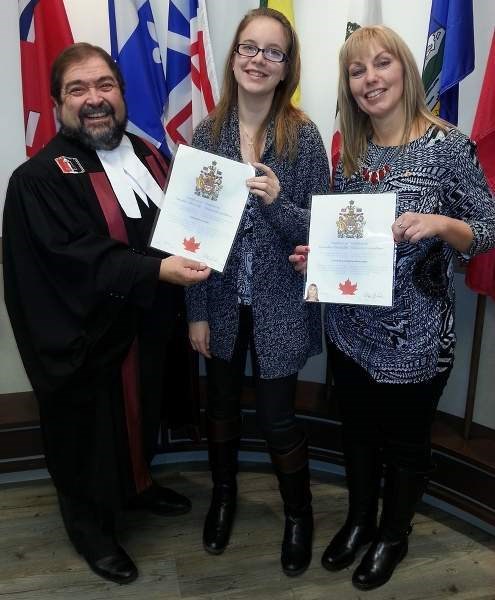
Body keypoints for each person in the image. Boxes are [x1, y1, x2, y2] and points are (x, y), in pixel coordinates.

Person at [290, 25, 495, 591]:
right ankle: (359, 519)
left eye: (382, 65)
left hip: (418, 336)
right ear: (349, 85)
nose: (370, 79)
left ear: (405, 70)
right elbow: (344, 235)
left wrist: (443, 224)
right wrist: (318, 257)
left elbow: (487, 228)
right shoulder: (352, 151)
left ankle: (393, 533)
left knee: (405, 442)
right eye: (357, 71)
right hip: (352, 329)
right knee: (356, 431)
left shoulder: (448, 146)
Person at [2, 43, 211, 585]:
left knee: (141, 412)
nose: (94, 99)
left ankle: (137, 485)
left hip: (145, 328)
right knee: (91, 432)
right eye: (78, 89)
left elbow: (181, 226)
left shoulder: (149, 157)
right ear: (57, 103)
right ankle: (90, 524)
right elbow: (72, 257)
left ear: (121, 94)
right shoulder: (38, 179)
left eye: (105, 86)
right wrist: (154, 273)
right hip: (89, 340)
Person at [186, 8, 330, 577]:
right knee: (220, 409)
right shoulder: (207, 134)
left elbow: (321, 234)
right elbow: (190, 239)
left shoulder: (305, 136)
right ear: (234, 56)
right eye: (250, 47)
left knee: (276, 419)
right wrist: (196, 314)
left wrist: (278, 203)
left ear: (286, 67)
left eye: (273, 52)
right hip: (219, 301)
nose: (258, 60)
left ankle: (299, 514)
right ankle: (224, 497)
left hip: (280, 307)